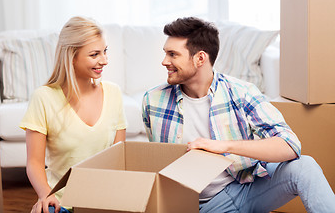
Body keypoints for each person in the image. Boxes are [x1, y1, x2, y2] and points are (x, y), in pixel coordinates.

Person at [142, 16, 335, 213]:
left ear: (200, 58)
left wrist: (224, 146)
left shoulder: (241, 92)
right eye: (165, 53)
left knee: (305, 167)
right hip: (192, 204)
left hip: (243, 189)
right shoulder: (153, 100)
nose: (164, 61)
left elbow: (290, 145)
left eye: (173, 54)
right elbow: (157, 161)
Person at [20, 16, 127, 213]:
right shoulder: (43, 98)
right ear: (71, 56)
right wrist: (45, 194)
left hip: (104, 203)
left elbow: (119, 156)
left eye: (105, 51)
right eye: (95, 54)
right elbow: (34, 163)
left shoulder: (114, 93)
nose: (104, 60)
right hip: (62, 203)